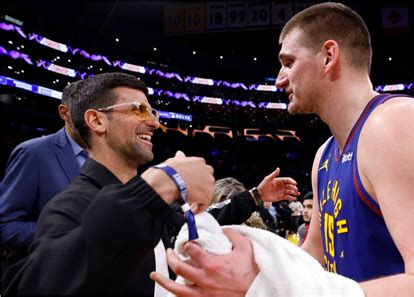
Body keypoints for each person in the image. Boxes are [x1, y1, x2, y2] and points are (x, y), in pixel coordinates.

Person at [150, 3, 414, 296]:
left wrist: (263, 287)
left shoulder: (398, 125)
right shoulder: (324, 156)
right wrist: (242, 270)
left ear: (329, 56)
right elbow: (314, 258)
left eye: (288, 62)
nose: (279, 79)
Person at [3, 72, 299, 296]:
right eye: (138, 109)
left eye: (153, 111)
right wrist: (158, 183)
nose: (155, 123)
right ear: (96, 121)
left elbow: (190, 224)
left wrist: (255, 196)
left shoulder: (145, 205)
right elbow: (37, 285)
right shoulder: (70, 204)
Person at [0, 80, 87, 292]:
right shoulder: (34, 152)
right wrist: (71, 236)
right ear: (64, 112)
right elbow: (5, 225)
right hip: (42, 282)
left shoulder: (111, 156)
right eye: (85, 110)